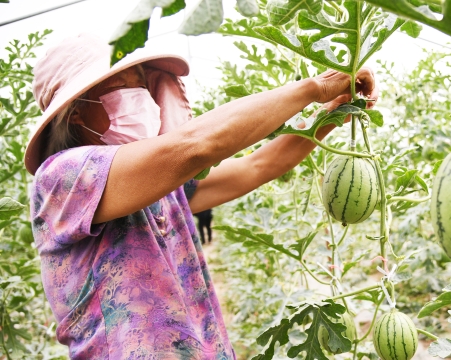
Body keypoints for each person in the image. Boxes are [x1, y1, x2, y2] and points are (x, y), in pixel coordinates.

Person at [26, 33, 378, 359]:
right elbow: (195, 146)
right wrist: (315, 87)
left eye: (142, 82)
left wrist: (332, 112)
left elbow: (258, 166)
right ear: (76, 114)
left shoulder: (159, 188)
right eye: (126, 85)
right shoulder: (62, 177)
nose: (143, 93)